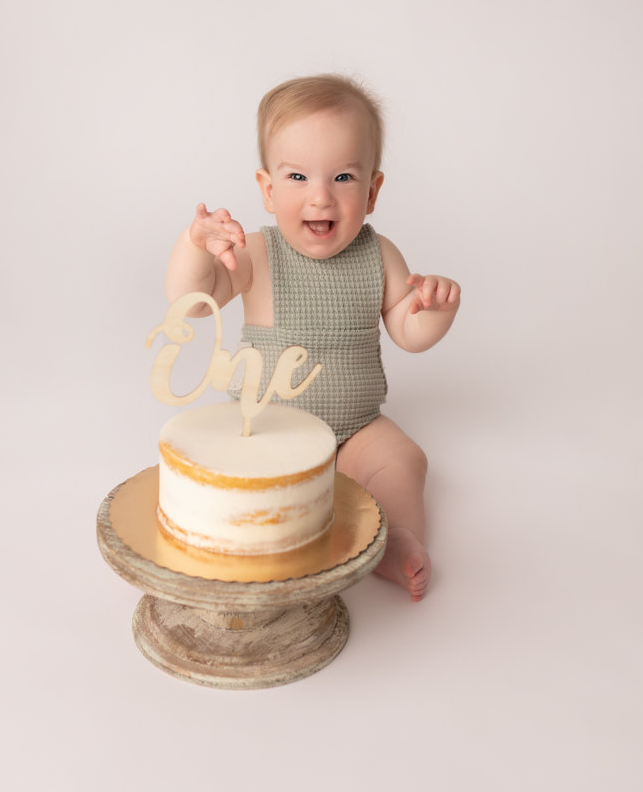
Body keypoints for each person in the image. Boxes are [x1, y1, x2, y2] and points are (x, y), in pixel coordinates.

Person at [164, 74, 460, 601]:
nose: (320, 196)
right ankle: (265, 547)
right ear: (267, 189)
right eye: (298, 176)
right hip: (268, 430)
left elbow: (408, 333)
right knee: (244, 484)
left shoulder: (380, 254)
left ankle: (392, 539)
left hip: (356, 431)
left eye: (343, 177)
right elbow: (192, 298)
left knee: (404, 459)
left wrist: (434, 311)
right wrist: (195, 246)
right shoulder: (257, 253)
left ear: (372, 191)